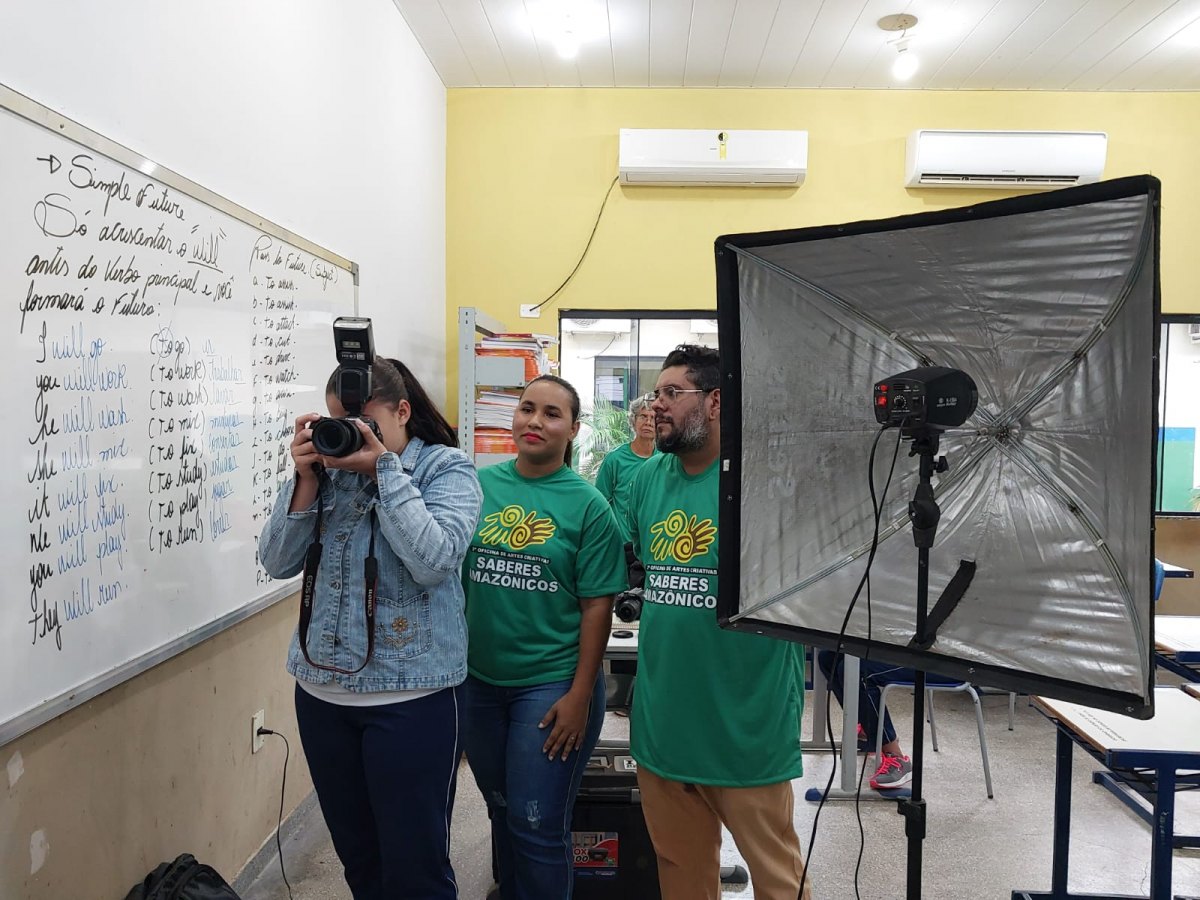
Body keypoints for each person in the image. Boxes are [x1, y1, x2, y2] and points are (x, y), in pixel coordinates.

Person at [258, 356, 482, 900]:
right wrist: (305, 479)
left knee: (415, 869)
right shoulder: (327, 474)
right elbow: (277, 561)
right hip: (321, 693)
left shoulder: (446, 470)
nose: (351, 436)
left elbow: (433, 560)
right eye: (340, 423)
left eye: (366, 424)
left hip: (413, 696)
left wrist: (384, 472)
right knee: (359, 861)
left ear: (403, 411)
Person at [626, 344, 811, 900]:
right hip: (664, 724)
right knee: (680, 873)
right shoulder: (648, 480)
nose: (658, 406)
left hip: (745, 724)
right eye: (655, 394)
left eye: (672, 393)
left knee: (777, 878)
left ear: (715, 402)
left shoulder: (766, 486)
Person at [462, 374, 628, 900]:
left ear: (573, 429)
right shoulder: (478, 485)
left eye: (551, 414)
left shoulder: (588, 507)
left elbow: (597, 606)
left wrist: (580, 696)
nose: (534, 421)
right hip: (478, 682)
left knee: (537, 828)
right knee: (503, 810)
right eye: (526, 408)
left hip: (551, 687)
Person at [815, 650, 918, 790]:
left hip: (937, 660)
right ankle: (867, 731)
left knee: (856, 671)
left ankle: (896, 756)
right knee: (828, 659)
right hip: (908, 649)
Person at [593, 395, 657, 542]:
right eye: (643, 416)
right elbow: (599, 505)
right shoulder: (615, 460)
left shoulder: (666, 461)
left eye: (653, 418)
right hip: (622, 545)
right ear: (633, 421)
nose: (648, 422)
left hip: (654, 545)